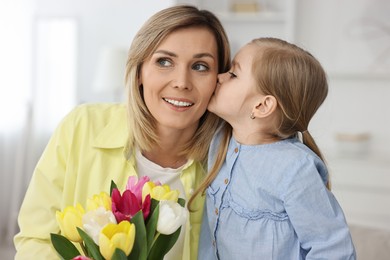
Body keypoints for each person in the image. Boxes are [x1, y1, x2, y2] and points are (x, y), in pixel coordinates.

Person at [14, 5, 231, 260]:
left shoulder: (228, 160)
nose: (182, 81)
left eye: (200, 66)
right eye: (164, 62)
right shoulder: (82, 127)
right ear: (139, 71)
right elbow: (35, 240)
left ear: (219, 80)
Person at [194, 37, 356, 259]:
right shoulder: (218, 140)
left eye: (233, 74)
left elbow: (333, 248)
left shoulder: (295, 169)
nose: (219, 77)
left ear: (262, 105)